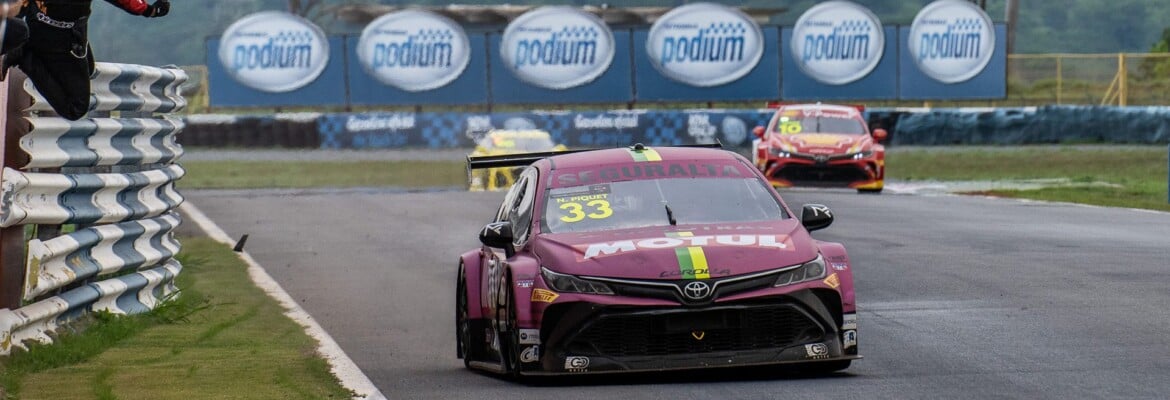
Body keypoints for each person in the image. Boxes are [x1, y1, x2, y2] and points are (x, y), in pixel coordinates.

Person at [2, 0, 170, 120]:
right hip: (59, 37)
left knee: (88, 68)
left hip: (48, 28)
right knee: (76, 108)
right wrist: (150, 10)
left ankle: (23, 48)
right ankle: (24, 56)